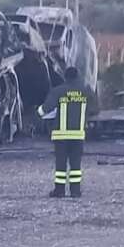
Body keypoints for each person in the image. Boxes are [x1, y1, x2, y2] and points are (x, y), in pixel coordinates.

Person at [41, 67, 88, 198]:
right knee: (76, 164)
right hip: (78, 135)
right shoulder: (85, 91)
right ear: (77, 76)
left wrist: (36, 114)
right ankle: (75, 191)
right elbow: (94, 108)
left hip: (61, 136)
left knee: (61, 164)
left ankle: (59, 191)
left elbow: (45, 109)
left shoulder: (58, 91)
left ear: (65, 77)